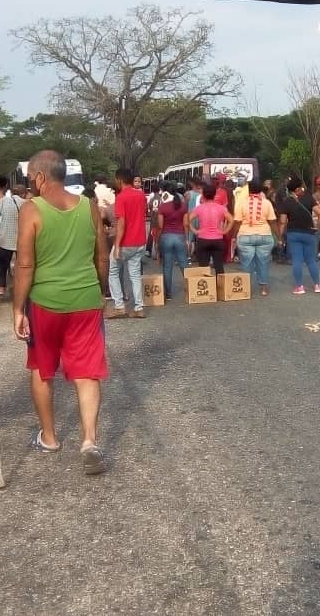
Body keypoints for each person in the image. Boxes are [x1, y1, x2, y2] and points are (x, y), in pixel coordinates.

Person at [12, 151, 109, 476]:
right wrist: (102, 291)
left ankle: (50, 438)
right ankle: (89, 441)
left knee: (43, 369)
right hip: (85, 300)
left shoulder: (32, 209)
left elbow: (25, 263)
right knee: (86, 372)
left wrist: (17, 308)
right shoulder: (89, 207)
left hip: (45, 302)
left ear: (39, 176)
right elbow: (102, 257)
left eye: (30, 178)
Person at [108, 167, 147, 319]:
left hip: (126, 242)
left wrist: (117, 246)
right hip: (140, 241)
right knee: (135, 275)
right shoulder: (141, 195)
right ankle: (139, 307)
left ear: (119, 180)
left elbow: (121, 222)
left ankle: (119, 306)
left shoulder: (121, 197)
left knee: (113, 272)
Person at [277, 177, 320, 295]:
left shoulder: (286, 202)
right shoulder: (308, 198)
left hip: (293, 233)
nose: (303, 189)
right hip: (309, 233)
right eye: (301, 187)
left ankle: (299, 287)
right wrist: (318, 227)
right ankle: (317, 285)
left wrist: (280, 236)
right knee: (311, 260)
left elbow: (282, 222)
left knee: (297, 260)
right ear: (297, 189)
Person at [234, 180, 279, 296]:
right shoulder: (267, 203)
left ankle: (246, 289)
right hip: (264, 235)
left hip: (245, 236)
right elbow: (273, 221)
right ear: (260, 190)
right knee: (263, 262)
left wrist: (233, 237)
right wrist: (279, 236)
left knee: (246, 263)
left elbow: (237, 222)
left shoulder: (242, 203)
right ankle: (263, 288)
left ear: (249, 189)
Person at [0, 183, 25, 297]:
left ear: (12, 192)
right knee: (23, 266)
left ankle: (1, 288)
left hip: (5, 241)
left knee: (2, 266)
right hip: (22, 242)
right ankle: (22, 288)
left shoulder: (3, 201)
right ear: (23, 193)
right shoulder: (27, 204)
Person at [156, 181, 189, 300]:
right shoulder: (183, 206)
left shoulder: (163, 206)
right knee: (183, 264)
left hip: (166, 237)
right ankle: (190, 288)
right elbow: (186, 224)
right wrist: (187, 239)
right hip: (180, 236)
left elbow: (160, 226)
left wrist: (157, 241)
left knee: (167, 266)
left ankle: (168, 294)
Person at [191, 183, 233, 274]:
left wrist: (195, 231)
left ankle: (205, 287)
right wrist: (224, 231)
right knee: (219, 266)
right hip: (218, 239)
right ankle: (220, 287)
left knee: (203, 268)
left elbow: (188, 220)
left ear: (203, 195)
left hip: (203, 239)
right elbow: (231, 220)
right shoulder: (221, 208)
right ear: (214, 195)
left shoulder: (199, 208)